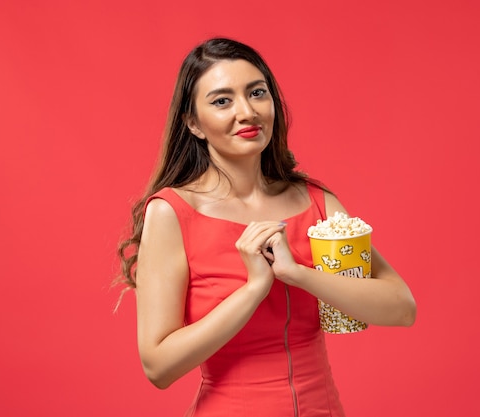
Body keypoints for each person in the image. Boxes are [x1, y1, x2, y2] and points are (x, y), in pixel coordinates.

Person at [116, 37, 416, 417]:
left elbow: (401, 309)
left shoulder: (316, 202)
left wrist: (297, 274)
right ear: (193, 123)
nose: (247, 112)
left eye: (257, 93)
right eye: (222, 100)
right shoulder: (173, 212)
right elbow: (158, 367)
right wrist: (255, 289)